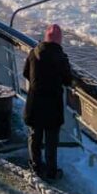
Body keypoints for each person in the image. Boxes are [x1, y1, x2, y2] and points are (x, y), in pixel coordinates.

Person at [23, 24, 72, 180]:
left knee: (34, 136)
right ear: (59, 40)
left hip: (35, 103)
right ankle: (51, 171)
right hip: (52, 105)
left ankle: (35, 166)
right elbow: (68, 80)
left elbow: (25, 72)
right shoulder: (60, 58)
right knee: (51, 140)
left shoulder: (34, 52)